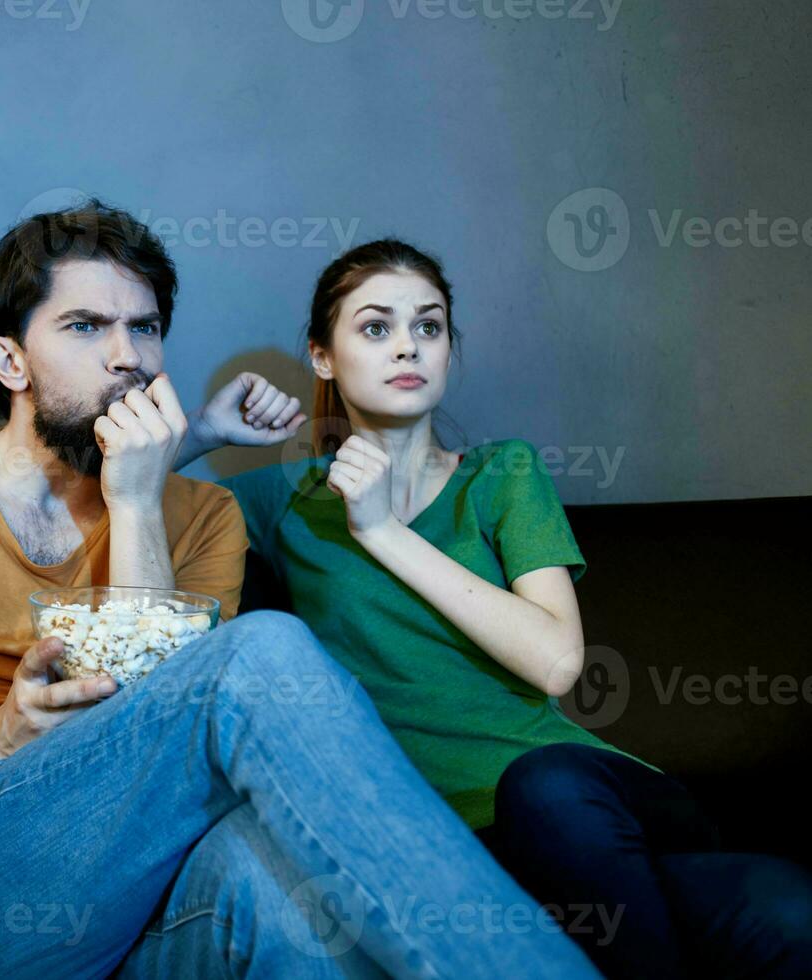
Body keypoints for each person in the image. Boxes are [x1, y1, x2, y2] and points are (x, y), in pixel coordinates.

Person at [0, 201, 602, 978]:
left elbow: (155, 729)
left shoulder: (203, 516)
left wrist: (135, 499)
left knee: (283, 888)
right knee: (263, 652)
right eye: (85, 326)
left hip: (138, 886)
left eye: (145, 327)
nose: (127, 354)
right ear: (9, 359)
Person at [175, 237, 812, 978]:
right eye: (375, 327)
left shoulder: (502, 472)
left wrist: (380, 530)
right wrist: (202, 433)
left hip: (584, 810)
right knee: (778, 910)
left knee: (545, 786)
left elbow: (554, 662)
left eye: (429, 326)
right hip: (444, 853)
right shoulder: (283, 500)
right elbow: (107, 500)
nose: (407, 346)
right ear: (323, 356)